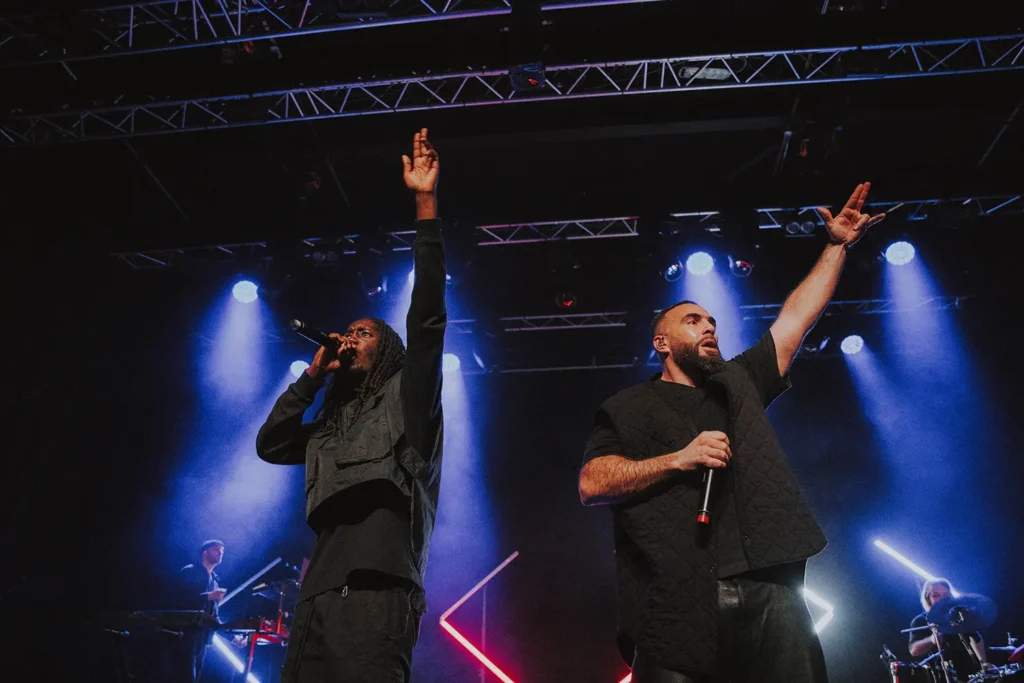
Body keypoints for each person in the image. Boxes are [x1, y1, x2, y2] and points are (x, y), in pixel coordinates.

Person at [578, 184, 886, 683]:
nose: (708, 327)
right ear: (661, 342)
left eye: (713, 321)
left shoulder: (738, 380)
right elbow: (593, 482)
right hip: (675, 598)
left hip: (772, 589)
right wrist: (677, 459)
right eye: (693, 320)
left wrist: (835, 247)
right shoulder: (628, 407)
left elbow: (796, 320)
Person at [256, 128, 445, 683]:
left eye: (363, 333)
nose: (350, 337)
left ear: (385, 349)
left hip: (377, 588)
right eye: (349, 331)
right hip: (317, 596)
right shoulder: (332, 423)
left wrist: (425, 203)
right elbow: (270, 445)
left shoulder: (407, 397)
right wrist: (312, 376)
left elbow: (428, 318)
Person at [908, 579, 987, 681]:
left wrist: (984, 663)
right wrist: (931, 640)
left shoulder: (959, 615)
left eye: (945, 595)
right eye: (936, 595)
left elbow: (975, 638)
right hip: (941, 675)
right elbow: (914, 650)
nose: (942, 599)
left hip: (971, 672)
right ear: (928, 599)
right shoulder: (920, 621)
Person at [174, 539, 226, 683]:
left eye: (222, 551)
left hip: (202, 639)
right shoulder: (189, 571)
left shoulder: (215, 582)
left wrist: (232, 635)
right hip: (184, 634)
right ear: (205, 552)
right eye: (216, 549)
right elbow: (179, 599)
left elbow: (214, 616)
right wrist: (209, 596)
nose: (220, 552)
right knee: (184, 676)